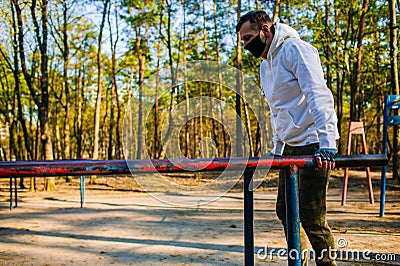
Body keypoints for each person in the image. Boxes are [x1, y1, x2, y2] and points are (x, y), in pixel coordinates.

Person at [236, 11, 340, 266]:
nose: (246, 45)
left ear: (266, 31)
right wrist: (277, 148)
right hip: (290, 147)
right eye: (242, 41)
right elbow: (277, 110)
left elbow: (318, 94)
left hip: (314, 143)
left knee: (311, 216)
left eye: (249, 38)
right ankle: (299, 263)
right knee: (285, 210)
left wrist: (328, 143)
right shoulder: (265, 64)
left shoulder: (296, 50)